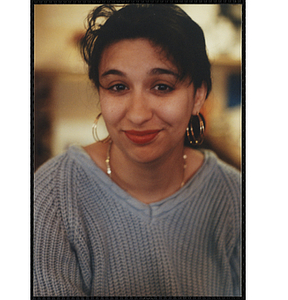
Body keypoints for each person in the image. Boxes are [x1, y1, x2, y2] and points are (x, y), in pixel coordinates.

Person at [34, 4, 241, 297]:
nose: (138, 114)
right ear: (99, 93)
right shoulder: (52, 195)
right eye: (118, 87)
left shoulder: (235, 198)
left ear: (198, 96)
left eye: (162, 87)